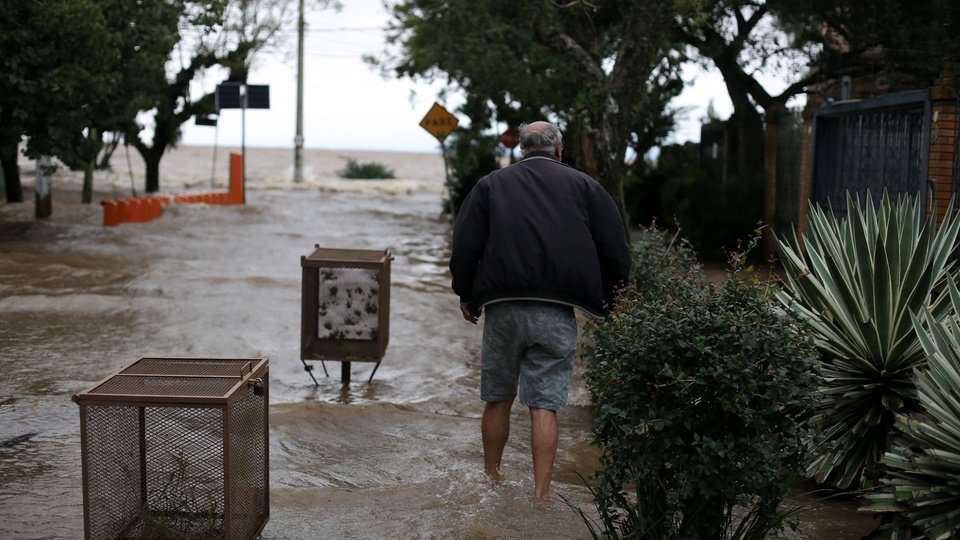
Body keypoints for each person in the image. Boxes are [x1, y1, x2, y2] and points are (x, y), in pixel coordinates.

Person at [449, 120, 631, 501]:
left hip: (502, 308)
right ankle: (541, 496)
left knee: (497, 398)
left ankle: (491, 482)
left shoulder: (491, 185)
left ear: (521, 148)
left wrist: (466, 294)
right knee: (544, 406)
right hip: (557, 309)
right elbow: (615, 247)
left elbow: (464, 244)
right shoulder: (586, 187)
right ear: (559, 149)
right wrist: (615, 297)